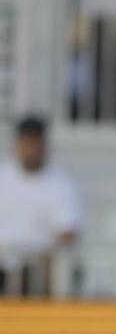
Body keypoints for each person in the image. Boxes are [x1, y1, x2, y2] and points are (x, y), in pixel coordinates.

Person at [0, 116, 81, 295]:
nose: (31, 149)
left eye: (36, 143)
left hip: (38, 264)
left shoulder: (61, 184)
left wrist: (34, 251)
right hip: (3, 261)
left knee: (49, 265)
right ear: (17, 144)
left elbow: (68, 232)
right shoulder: (3, 177)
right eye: (27, 142)